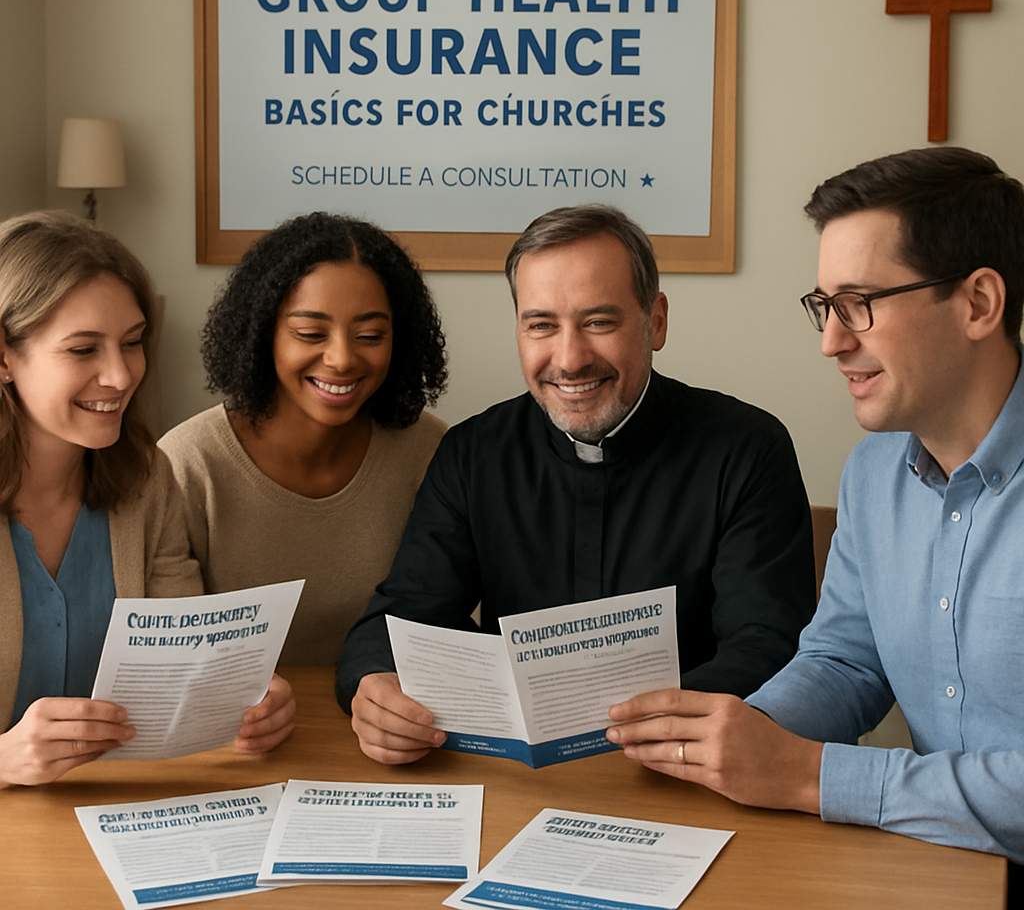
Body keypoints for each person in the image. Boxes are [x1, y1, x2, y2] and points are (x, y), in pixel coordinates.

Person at [605, 147, 1024, 877]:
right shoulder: (872, 474)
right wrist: (745, 734)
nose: (832, 342)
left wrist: (811, 776)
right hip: (944, 870)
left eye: (861, 304)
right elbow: (845, 661)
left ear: (978, 303)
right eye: (825, 307)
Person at [338, 203, 817, 764]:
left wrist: (623, 728)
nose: (569, 358)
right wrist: (378, 687)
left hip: (689, 773)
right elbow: (400, 620)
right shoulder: (473, 452)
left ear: (655, 321)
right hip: (515, 780)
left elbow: (768, 647)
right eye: (541, 325)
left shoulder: (746, 448)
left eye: (599, 322)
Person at [0, 210, 294, 787]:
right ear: (5, 357)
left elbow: (181, 657)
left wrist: (244, 695)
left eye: (132, 343)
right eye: (83, 349)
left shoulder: (146, 478)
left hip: (119, 802)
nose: (120, 375)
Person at [159, 212, 448, 666]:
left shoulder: (431, 452)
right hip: (238, 730)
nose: (341, 358)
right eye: (310, 333)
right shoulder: (187, 465)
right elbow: (172, 658)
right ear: (262, 334)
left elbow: (447, 626)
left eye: (370, 335)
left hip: (391, 724)